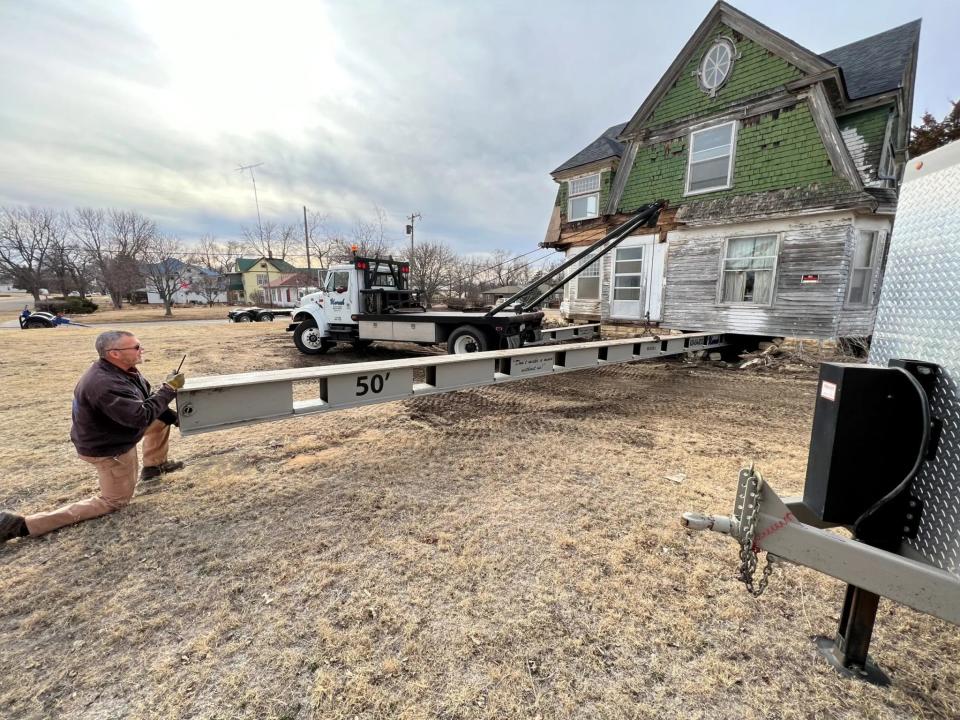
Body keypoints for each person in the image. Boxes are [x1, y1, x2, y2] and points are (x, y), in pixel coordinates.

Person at [0, 330, 187, 543]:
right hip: (108, 447)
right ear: (114, 353)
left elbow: (146, 403)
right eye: (135, 347)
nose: (141, 350)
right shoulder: (105, 383)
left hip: (119, 428)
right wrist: (169, 389)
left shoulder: (125, 371)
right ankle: (21, 525)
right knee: (114, 501)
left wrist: (175, 418)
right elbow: (139, 417)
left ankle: (154, 466)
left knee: (161, 421)